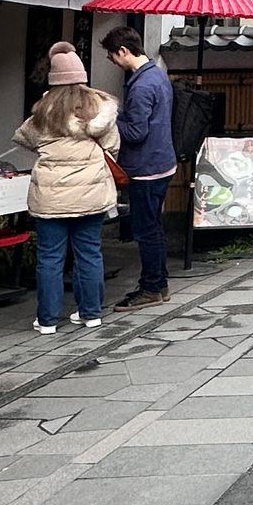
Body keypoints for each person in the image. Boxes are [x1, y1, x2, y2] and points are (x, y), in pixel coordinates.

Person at [14, 42, 120, 333]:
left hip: (51, 197)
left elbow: (23, 138)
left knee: (50, 258)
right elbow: (112, 147)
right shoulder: (100, 108)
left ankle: (47, 321)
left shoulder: (44, 111)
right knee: (89, 253)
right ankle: (91, 313)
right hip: (91, 195)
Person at [102, 26, 176, 310]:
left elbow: (135, 132)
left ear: (123, 51)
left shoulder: (142, 85)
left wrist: (109, 118)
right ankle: (159, 284)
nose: (112, 61)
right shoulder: (157, 74)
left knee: (146, 230)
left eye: (112, 55)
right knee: (153, 227)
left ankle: (151, 288)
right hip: (161, 161)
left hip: (146, 166)